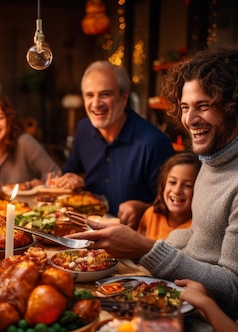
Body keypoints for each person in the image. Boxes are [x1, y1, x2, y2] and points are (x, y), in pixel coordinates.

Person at [66, 48, 238, 319]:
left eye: (203, 106)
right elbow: (203, 236)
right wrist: (147, 244)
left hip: (224, 326)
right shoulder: (221, 153)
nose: (189, 119)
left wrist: (145, 248)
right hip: (187, 297)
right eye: (185, 107)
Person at [51, 60, 174, 223]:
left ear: (124, 97)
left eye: (105, 94)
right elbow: (71, 170)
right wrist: (70, 178)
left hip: (135, 237)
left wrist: (143, 208)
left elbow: (173, 207)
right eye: (89, 95)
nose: (95, 104)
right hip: (87, 227)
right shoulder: (83, 128)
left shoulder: (153, 143)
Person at [0, 94, 60, 187]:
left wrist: (32, 185)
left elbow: (55, 174)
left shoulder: (25, 142)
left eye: (0, 118)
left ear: (8, 120)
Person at [137, 152, 201, 240]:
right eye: (172, 182)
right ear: (163, 185)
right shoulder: (151, 215)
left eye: (188, 185)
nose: (177, 191)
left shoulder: (198, 229)